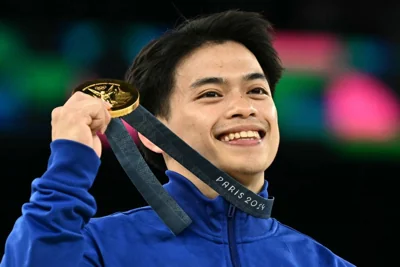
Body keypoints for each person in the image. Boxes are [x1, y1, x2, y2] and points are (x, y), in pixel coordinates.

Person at [1, 10, 355, 267]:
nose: (244, 107)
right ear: (153, 134)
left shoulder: (323, 262)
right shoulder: (101, 250)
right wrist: (67, 168)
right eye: (211, 94)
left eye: (257, 90)